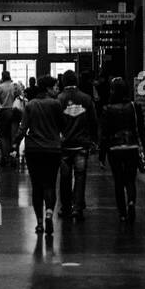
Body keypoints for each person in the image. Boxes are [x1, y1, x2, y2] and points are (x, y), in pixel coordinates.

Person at [99, 76, 145, 222]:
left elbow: (104, 134)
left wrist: (102, 156)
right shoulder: (135, 107)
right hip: (131, 146)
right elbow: (141, 130)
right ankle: (131, 202)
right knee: (130, 179)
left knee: (118, 181)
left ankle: (122, 213)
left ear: (112, 91)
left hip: (114, 148)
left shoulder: (107, 109)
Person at [15, 75, 63, 235]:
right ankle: (49, 213)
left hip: (34, 149)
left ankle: (40, 223)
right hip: (53, 149)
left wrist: (15, 143)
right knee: (50, 184)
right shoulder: (56, 104)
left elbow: (23, 128)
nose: (57, 89)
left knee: (37, 186)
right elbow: (63, 125)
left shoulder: (31, 105)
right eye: (55, 87)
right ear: (48, 89)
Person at [58, 70, 98, 222]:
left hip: (64, 145)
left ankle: (65, 207)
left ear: (63, 82)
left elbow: (56, 122)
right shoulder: (86, 99)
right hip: (82, 144)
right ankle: (78, 208)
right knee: (80, 177)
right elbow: (93, 121)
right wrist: (94, 140)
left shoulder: (59, 99)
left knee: (65, 177)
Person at [0, 70, 19, 166]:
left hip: (4, 112)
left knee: (4, 136)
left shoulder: (0, 87)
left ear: (2, 77)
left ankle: (5, 157)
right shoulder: (14, 86)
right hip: (15, 111)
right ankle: (13, 156)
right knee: (13, 135)